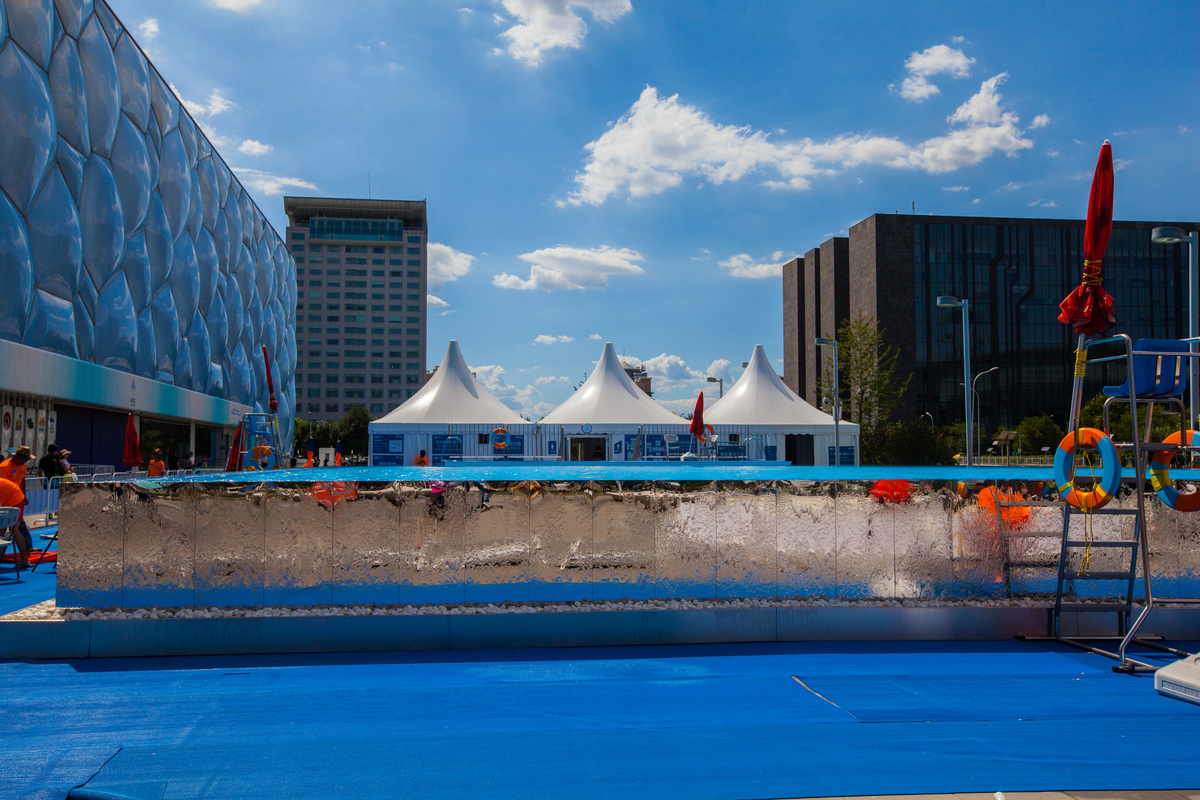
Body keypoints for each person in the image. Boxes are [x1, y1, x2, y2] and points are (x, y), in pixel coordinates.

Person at [0, 476, 32, 568]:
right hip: (13, 499)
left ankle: (25, 560)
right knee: (11, 531)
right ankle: (24, 560)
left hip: (16, 501)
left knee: (14, 530)